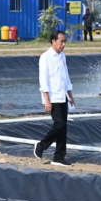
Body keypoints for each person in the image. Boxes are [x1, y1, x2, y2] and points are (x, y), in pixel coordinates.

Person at [34, 30, 75, 167]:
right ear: (53, 42)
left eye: (65, 42)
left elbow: (66, 76)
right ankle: (41, 145)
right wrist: (47, 99)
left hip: (62, 95)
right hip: (52, 97)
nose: (63, 44)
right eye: (61, 42)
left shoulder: (62, 56)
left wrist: (70, 95)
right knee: (59, 125)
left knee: (64, 128)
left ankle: (59, 157)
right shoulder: (45, 57)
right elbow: (43, 80)